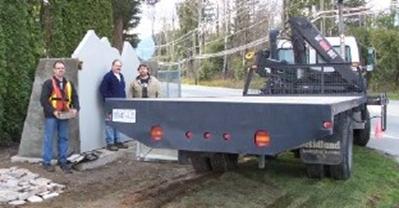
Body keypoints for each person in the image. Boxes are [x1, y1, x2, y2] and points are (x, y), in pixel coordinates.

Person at [40, 60, 79, 173]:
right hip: (51, 115)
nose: (60, 70)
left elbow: (75, 98)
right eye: (58, 68)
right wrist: (53, 111)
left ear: (64, 70)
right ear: (54, 70)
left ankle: (62, 161)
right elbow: (43, 100)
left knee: (64, 138)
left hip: (64, 115)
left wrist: (76, 108)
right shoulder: (48, 83)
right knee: (49, 138)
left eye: (62, 68)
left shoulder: (69, 84)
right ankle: (46, 162)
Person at [99, 59, 129, 151]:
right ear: (112, 66)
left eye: (120, 66)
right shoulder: (108, 77)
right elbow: (102, 90)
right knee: (110, 123)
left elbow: (122, 89)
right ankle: (110, 143)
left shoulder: (121, 76)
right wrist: (109, 100)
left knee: (118, 123)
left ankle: (118, 141)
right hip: (110, 104)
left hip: (120, 103)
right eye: (116, 65)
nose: (118, 67)